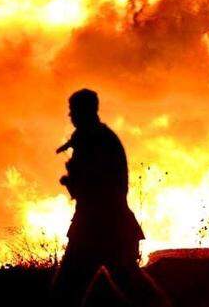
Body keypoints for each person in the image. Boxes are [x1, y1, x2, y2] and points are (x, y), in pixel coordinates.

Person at [50, 88, 170, 307]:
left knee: (65, 292)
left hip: (98, 227)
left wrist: (72, 180)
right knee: (133, 287)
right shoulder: (95, 138)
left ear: (84, 111)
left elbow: (98, 185)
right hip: (107, 227)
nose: (70, 116)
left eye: (73, 110)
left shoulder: (95, 141)